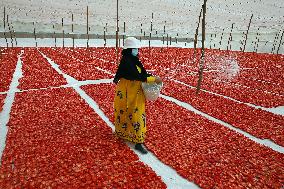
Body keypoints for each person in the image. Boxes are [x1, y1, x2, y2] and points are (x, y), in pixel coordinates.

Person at [113, 37, 162, 154]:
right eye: (135, 49)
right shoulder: (127, 61)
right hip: (128, 92)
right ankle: (137, 142)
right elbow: (137, 76)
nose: (137, 51)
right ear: (130, 49)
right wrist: (154, 79)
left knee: (132, 112)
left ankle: (129, 136)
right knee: (134, 113)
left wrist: (151, 77)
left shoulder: (133, 60)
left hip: (133, 91)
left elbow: (142, 73)